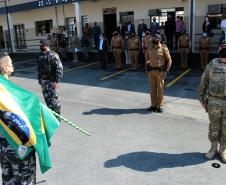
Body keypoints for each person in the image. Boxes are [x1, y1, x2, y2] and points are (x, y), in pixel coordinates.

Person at [0, 51, 36, 184]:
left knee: (8, 180)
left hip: (3, 147)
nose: (12, 65)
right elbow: (19, 122)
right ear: (5, 68)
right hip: (17, 148)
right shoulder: (6, 93)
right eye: (10, 63)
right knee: (24, 180)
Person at [199, 40, 226, 162]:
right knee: (214, 127)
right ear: (219, 49)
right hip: (214, 101)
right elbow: (204, 81)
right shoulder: (212, 64)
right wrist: (201, 97)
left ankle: (223, 150)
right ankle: (213, 149)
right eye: (222, 47)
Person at [146, 34, 172, 113]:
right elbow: (147, 59)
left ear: (159, 39)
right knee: (152, 90)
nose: (154, 39)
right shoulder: (149, 49)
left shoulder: (163, 48)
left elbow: (169, 60)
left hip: (160, 72)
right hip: (151, 72)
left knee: (160, 89)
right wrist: (147, 69)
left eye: (156, 38)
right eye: (153, 37)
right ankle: (153, 105)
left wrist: (166, 71)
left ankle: (160, 105)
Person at [37, 40, 63, 115]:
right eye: (40, 45)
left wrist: (57, 81)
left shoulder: (53, 55)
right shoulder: (39, 55)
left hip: (51, 81)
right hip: (43, 81)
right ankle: (51, 115)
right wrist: (39, 79)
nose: (41, 46)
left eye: (42, 45)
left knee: (54, 100)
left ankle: (57, 116)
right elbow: (39, 68)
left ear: (47, 45)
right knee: (47, 99)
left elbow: (59, 68)